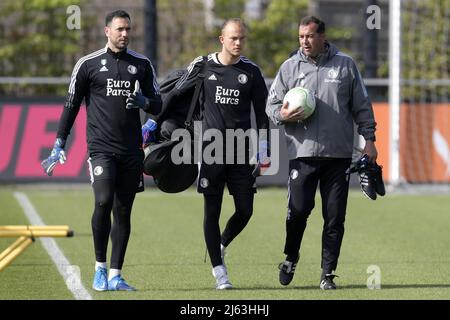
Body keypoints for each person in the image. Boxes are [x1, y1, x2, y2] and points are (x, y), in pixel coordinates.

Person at [41, 10, 162, 291]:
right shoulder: (88, 64)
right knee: (103, 201)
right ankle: (99, 268)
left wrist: (144, 101)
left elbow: (158, 104)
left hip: (132, 149)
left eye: (128, 29)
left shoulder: (142, 64)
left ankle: (116, 275)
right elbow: (71, 105)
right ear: (107, 31)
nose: (125, 34)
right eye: (119, 29)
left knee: (123, 211)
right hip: (101, 148)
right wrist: (60, 140)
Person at [266, 16, 378, 290]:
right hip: (301, 155)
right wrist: (281, 114)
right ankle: (291, 256)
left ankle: (328, 273)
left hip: (337, 156)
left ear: (322, 37)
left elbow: (362, 105)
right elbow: (272, 106)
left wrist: (370, 140)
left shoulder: (345, 65)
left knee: (335, 217)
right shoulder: (290, 67)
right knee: (298, 211)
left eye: (309, 36)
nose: (304, 41)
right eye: (301, 36)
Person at [177, 18, 269, 289]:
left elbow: (262, 114)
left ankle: (221, 243)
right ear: (222, 39)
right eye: (233, 38)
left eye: (242, 38)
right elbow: (178, 93)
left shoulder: (251, 72)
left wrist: (263, 149)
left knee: (245, 210)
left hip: (241, 152)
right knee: (212, 211)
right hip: (211, 151)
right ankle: (220, 273)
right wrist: (153, 119)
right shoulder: (204, 65)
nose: (238, 43)